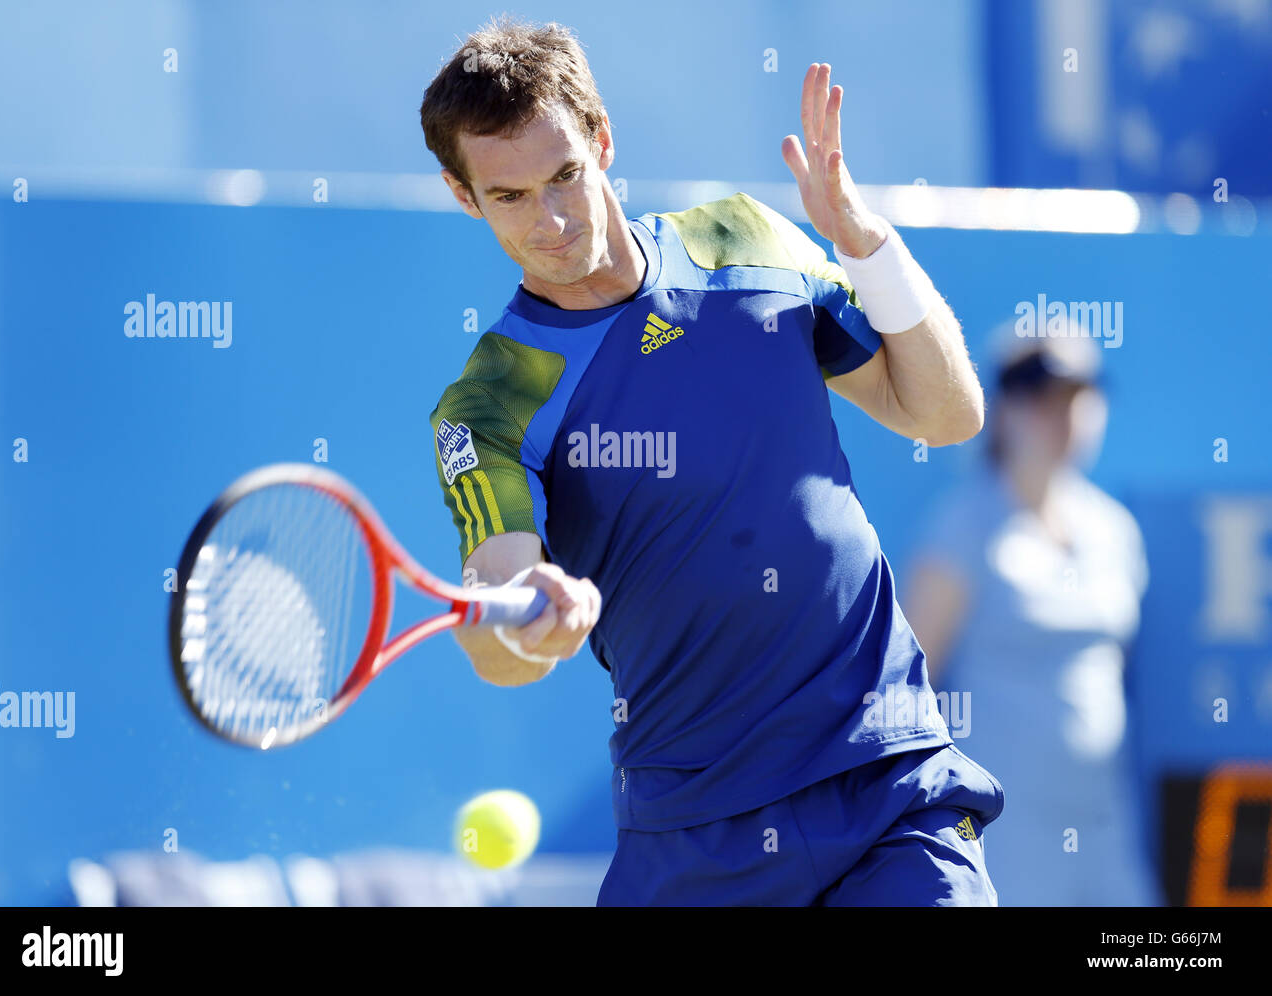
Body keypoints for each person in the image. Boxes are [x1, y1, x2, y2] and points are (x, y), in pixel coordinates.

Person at [420, 16, 1003, 906]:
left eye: (566, 174)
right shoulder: (488, 405)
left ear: (603, 140)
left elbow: (946, 413)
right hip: (696, 835)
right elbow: (501, 616)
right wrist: (531, 626)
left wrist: (865, 243)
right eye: (510, 196)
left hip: (888, 777)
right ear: (466, 198)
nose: (553, 218)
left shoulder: (744, 238)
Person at [903, 325, 1160, 906]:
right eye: (1043, 398)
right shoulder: (962, 526)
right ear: (1006, 409)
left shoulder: (1114, 530)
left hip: (1104, 828)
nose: (1063, 417)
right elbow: (910, 686)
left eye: (1077, 398)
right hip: (1004, 834)